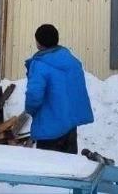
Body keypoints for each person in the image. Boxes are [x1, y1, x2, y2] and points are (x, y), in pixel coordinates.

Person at [24, 24, 94, 154]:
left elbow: (34, 94)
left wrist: (30, 109)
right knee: (68, 164)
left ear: (38, 43)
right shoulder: (72, 62)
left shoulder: (40, 64)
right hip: (70, 126)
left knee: (48, 165)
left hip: (49, 129)